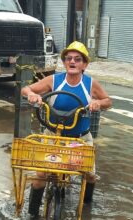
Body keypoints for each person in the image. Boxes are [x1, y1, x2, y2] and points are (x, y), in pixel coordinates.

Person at [21, 41, 112, 218]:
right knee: (40, 176)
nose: (72, 62)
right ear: (64, 62)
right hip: (52, 135)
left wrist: (98, 103)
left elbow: (108, 101)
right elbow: (26, 88)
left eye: (78, 59)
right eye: (68, 58)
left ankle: (87, 205)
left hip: (80, 138)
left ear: (84, 64)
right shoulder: (54, 80)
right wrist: (32, 94)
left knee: (90, 175)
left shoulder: (91, 83)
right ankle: (32, 213)